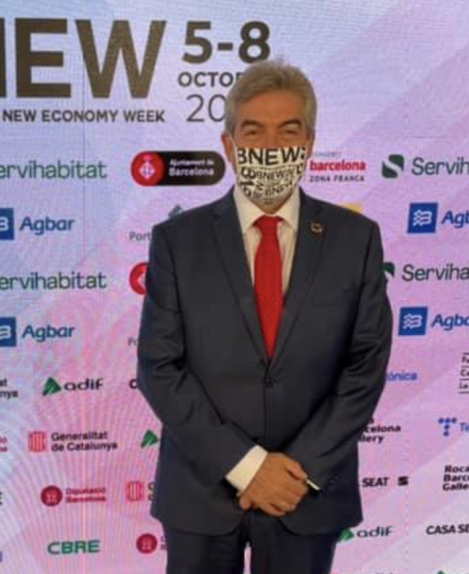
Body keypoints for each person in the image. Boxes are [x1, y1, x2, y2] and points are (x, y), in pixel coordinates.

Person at [136, 58, 392, 574]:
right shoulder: (177, 241)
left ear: (309, 143)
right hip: (201, 492)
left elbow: (365, 366)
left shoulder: (355, 239)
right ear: (229, 146)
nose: (271, 146)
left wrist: (296, 472)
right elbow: (159, 367)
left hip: (306, 493)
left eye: (288, 131)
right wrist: (247, 466)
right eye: (253, 131)